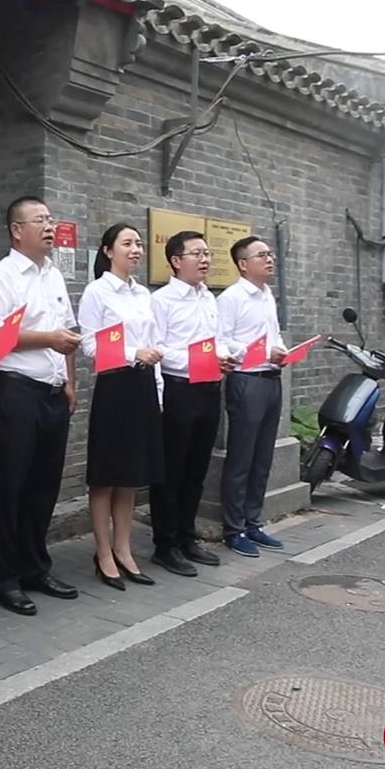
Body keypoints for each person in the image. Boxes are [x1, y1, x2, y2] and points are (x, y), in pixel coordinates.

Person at [0, 196, 81, 616]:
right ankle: (2, 577)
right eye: (40, 220)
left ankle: (34, 567)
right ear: (16, 230)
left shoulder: (53, 274)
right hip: (15, 389)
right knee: (8, 486)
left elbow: (68, 330)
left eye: (50, 219)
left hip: (53, 392)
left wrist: (70, 381)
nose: (49, 226)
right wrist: (48, 340)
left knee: (43, 486)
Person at [79, 222, 162, 590]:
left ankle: (124, 549)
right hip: (114, 385)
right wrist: (132, 353)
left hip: (143, 385)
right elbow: (89, 346)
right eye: (127, 243)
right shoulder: (97, 292)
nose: (135, 249)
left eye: (139, 243)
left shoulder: (143, 294)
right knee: (106, 474)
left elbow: (153, 342)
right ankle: (103, 552)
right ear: (108, 250)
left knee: (130, 474)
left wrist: (157, 389)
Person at [149, 230, 224, 577]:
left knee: (196, 469)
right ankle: (165, 545)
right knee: (171, 470)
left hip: (210, 389)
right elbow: (159, 349)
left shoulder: (208, 298)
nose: (205, 259)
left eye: (207, 253)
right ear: (176, 261)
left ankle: (186, 536)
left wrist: (225, 356)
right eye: (197, 253)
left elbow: (216, 341)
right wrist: (198, 361)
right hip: (179, 390)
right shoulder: (161, 301)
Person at [216, 237, 287, 557]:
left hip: (271, 379)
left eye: (269, 254)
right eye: (261, 255)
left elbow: (274, 334)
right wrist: (256, 352)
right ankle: (234, 529)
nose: (269, 259)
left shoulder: (267, 294)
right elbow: (221, 341)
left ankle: (253, 522)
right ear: (243, 264)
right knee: (242, 458)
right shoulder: (231, 298)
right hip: (246, 380)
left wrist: (280, 351)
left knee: (262, 458)